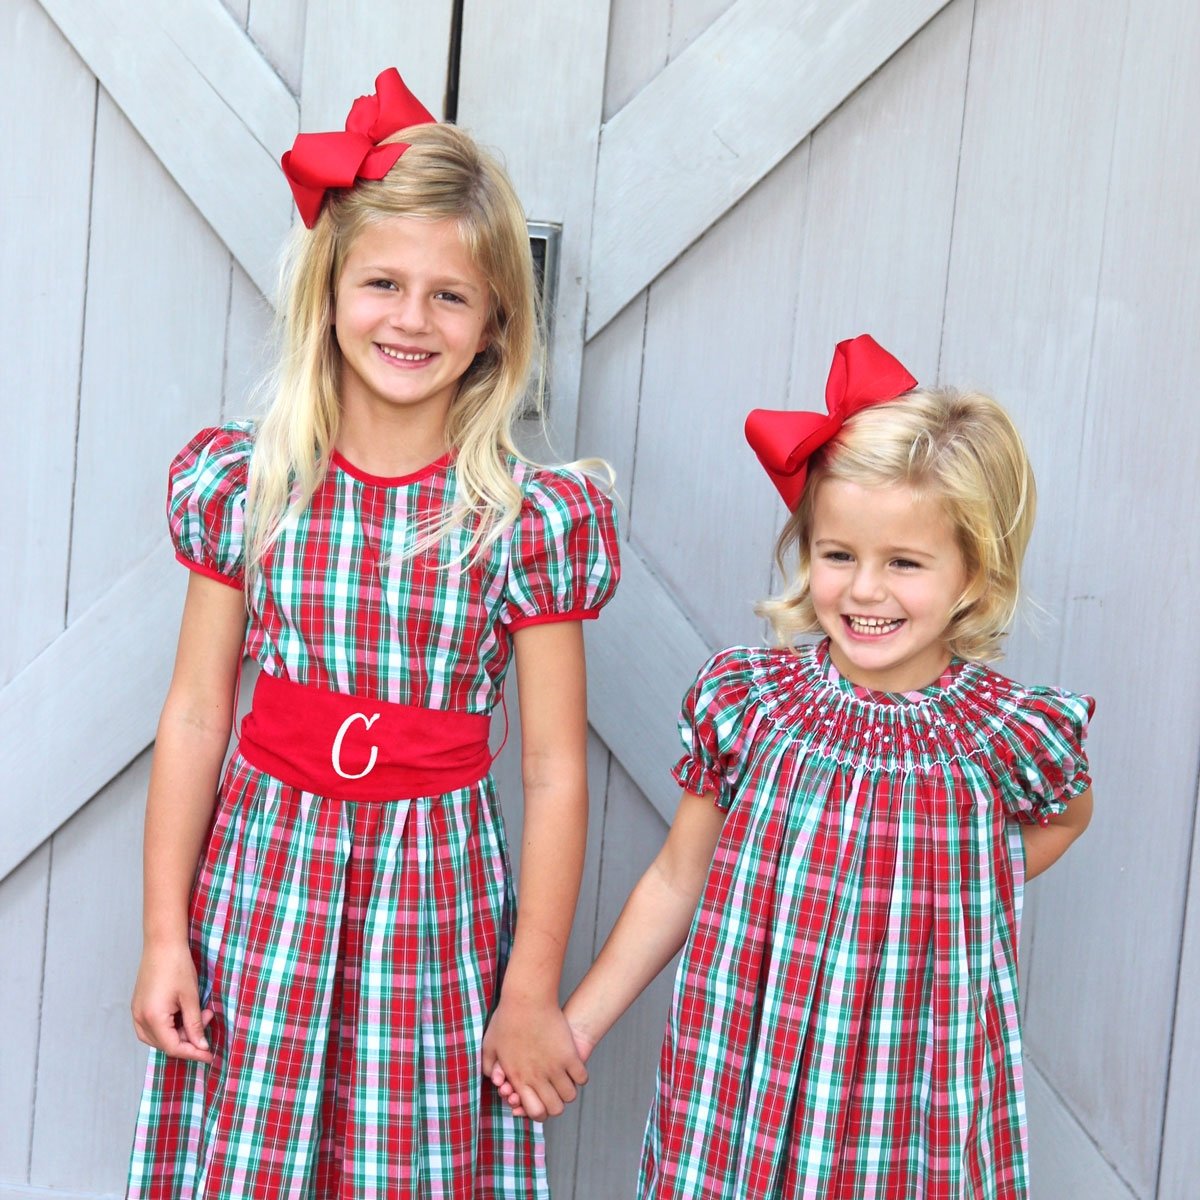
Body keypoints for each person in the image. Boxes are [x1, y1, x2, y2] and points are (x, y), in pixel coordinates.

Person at [126, 68, 618, 1199]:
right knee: (253, 1146)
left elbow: (552, 769)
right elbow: (200, 711)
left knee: (411, 1156)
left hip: (430, 889)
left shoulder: (523, 520)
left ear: (498, 319)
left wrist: (532, 987)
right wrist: (165, 932)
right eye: (384, 282)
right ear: (329, 292)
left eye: (452, 295)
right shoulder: (251, 485)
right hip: (266, 881)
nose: (412, 318)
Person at [500, 334, 1094, 1198]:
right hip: (749, 1067)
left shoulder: (1005, 733)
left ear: (973, 572)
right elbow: (678, 878)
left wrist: (943, 886)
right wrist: (575, 1026)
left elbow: (1065, 817)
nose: (864, 590)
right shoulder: (754, 704)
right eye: (839, 555)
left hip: (907, 1085)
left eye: (905, 563)